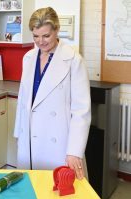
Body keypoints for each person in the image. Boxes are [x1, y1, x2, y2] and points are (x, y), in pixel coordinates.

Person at [14, 7, 91, 179]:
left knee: (58, 190)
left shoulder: (73, 60)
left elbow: (81, 111)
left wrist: (75, 151)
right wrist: (18, 134)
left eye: (46, 36)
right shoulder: (28, 58)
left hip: (59, 143)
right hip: (29, 140)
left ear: (56, 30)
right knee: (31, 188)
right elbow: (23, 100)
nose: (40, 41)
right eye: (35, 36)